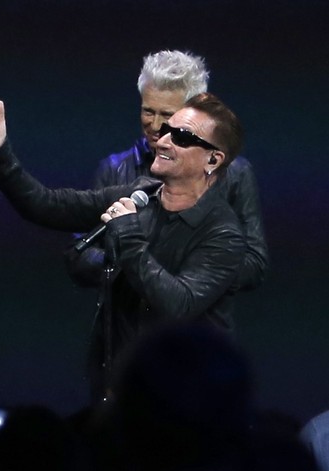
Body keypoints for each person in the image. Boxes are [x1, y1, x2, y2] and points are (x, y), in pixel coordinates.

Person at [0, 92, 245, 403]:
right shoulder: (141, 195)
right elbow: (47, 204)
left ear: (213, 159)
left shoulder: (223, 232)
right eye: (167, 129)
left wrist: (127, 234)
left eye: (181, 137)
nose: (163, 140)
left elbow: (177, 305)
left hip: (187, 395)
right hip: (122, 386)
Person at [67, 50, 267, 292]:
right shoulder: (114, 169)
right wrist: (127, 264)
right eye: (148, 111)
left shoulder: (235, 173)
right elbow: (80, 255)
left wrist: (186, 272)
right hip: (125, 325)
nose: (155, 125)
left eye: (168, 116)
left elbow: (254, 263)